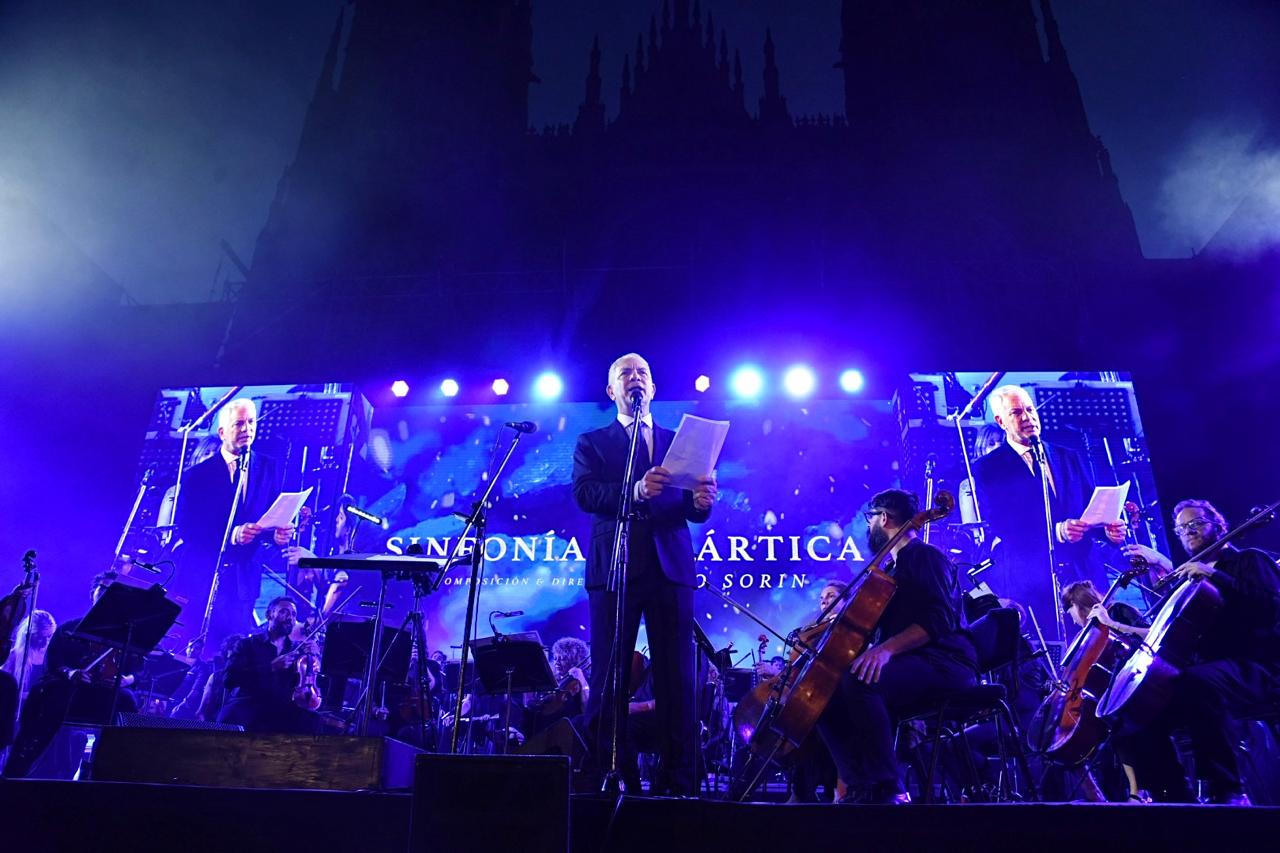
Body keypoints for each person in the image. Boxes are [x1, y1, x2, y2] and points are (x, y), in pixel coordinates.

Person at [572, 352, 717, 796]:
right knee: (609, 674)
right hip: (615, 565)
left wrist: (702, 503)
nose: (635, 378)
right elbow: (585, 493)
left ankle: (679, 780)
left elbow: (689, 507)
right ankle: (612, 774)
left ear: (653, 388)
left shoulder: (679, 442)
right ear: (611, 390)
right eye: (625, 374)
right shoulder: (592, 442)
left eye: (643, 373)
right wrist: (633, 490)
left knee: (677, 675)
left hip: (669, 565)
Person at [815, 489, 979, 804]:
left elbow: (939, 620)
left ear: (884, 518)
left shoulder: (924, 557)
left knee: (860, 680)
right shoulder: (889, 570)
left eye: (870, 518)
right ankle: (859, 785)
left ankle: (889, 787)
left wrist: (885, 650)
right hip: (912, 662)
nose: (868, 526)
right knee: (823, 693)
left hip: (946, 661)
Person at [1115, 499, 1280, 804]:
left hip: (1255, 666)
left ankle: (1227, 790)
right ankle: (1176, 798)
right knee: (1137, 710)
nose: (1189, 531)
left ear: (1218, 525)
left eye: (1196, 523)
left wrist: (1214, 576)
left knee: (1194, 683)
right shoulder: (1189, 581)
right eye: (1182, 528)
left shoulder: (1249, 560)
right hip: (1210, 670)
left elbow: (1270, 608)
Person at [970, 385, 1126, 635]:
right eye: (1017, 412)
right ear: (1000, 421)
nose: (1027, 417)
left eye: (1030, 410)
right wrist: (1056, 532)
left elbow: (1090, 509)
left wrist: (1107, 531)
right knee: (1056, 645)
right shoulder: (989, 467)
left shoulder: (1068, 455)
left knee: (1103, 641)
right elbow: (1001, 524)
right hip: (1037, 578)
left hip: (1084, 571)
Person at [176, 398, 292, 650]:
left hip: (244, 577)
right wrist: (231, 534)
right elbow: (187, 527)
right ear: (222, 432)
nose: (247, 429)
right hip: (205, 574)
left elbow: (267, 517)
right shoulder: (198, 475)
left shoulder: (268, 467)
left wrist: (276, 535)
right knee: (197, 645)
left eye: (251, 422)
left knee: (234, 648)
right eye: (239, 424)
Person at [3, 573, 143, 778]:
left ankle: (110, 769)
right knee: (57, 693)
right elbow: (54, 664)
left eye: (114, 591)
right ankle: (25, 764)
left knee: (128, 700)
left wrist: (128, 679)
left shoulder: (125, 634)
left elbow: (139, 670)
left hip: (104, 693)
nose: (107, 594)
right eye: (103, 588)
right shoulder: (69, 629)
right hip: (71, 690)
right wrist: (70, 673)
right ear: (93, 592)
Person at [217, 597, 323, 734]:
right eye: (284, 612)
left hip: (282, 707)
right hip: (249, 703)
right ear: (269, 615)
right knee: (234, 715)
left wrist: (315, 656)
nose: (290, 618)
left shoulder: (298, 650)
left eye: (293, 614)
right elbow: (229, 680)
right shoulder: (246, 645)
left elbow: (309, 680)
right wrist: (270, 667)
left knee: (313, 719)